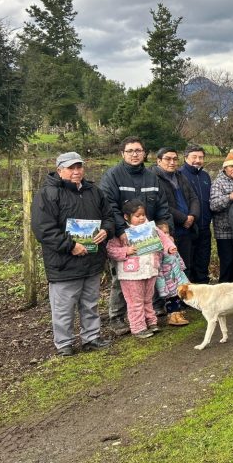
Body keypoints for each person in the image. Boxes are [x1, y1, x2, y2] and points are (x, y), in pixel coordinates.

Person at [32, 152, 114, 356]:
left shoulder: (93, 191)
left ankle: (91, 338)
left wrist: (106, 230)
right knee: (63, 306)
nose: (76, 171)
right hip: (64, 262)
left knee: (90, 302)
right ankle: (64, 344)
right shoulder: (48, 194)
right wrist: (70, 246)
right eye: (71, 168)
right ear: (59, 170)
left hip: (92, 259)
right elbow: (43, 229)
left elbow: (109, 216)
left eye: (79, 167)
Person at [100, 136, 173, 335]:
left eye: (138, 150)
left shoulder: (152, 177)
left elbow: (162, 205)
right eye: (130, 151)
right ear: (122, 153)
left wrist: (165, 227)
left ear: (144, 153)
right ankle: (117, 317)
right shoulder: (113, 176)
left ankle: (151, 315)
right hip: (123, 238)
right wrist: (121, 230)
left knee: (150, 274)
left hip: (148, 237)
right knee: (122, 278)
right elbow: (108, 205)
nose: (134, 154)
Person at [106, 200, 178, 338]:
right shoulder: (121, 232)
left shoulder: (151, 228)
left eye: (143, 215)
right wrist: (125, 251)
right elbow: (110, 250)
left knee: (148, 299)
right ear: (126, 216)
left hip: (150, 269)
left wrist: (170, 247)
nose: (141, 218)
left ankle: (151, 322)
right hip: (131, 273)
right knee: (135, 301)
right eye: (137, 216)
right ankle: (138, 327)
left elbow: (164, 239)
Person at [153, 147, 200, 274]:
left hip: (186, 229)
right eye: (168, 159)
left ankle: (185, 287)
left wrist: (192, 216)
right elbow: (160, 204)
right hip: (169, 229)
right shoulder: (153, 178)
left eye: (175, 159)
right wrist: (183, 218)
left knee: (186, 265)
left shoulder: (180, 176)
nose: (172, 162)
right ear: (158, 161)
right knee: (169, 268)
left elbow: (193, 197)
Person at [179, 144, 212, 284]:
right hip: (188, 226)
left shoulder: (205, 176)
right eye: (194, 157)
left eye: (201, 157)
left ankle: (203, 286)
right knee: (188, 261)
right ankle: (188, 290)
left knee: (203, 259)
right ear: (186, 157)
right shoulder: (180, 175)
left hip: (205, 226)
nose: (198, 160)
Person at [210, 149, 233, 283]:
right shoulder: (218, 183)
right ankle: (224, 288)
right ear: (225, 168)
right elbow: (213, 205)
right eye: (231, 166)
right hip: (224, 230)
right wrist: (229, 197)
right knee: (227, 262)